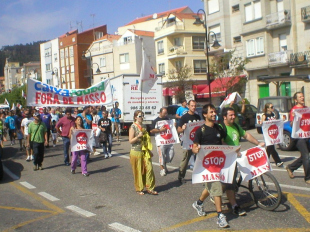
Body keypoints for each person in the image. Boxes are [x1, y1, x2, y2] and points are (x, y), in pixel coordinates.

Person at [218, 107, 265, 216]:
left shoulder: (235, 126)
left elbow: (246, 135)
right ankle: (234, 205)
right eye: (231, 115)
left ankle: (222, 192)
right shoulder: (221, 128)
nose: (233, 117)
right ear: (224, 117)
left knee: (229, 183)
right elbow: (220, 142)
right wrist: (232, 150)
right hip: (226, 160)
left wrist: (258, 143)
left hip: (235, 156)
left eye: (234, 114)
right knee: (229, 183)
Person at [191, 104, 229, 228]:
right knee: (216, 186)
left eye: (214, 111)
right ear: (205, 115)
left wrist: (232, 150)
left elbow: (222, 142)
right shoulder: (200, 130)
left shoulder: (218, 128)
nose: (214, 114)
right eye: (211, 112)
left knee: (211, 187)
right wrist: (196, 149)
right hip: (207, 166)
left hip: (218, 163)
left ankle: (199, 203)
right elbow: (194, 146)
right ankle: (220, 216)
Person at [129, 110, 157, 195]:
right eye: (140, 116)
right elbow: (130, 141)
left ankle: (150, 187)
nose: (141, 118)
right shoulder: (133, 127)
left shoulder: (144, 126)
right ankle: (139, 188)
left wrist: (149, 150)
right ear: (135, 117)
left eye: (142, 116)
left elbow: (146, 140)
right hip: (136, 151)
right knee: (138, 171)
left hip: (145, 151)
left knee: (149, 169)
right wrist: (138, 136)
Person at [286, 92, 310, 184]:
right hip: (298, 137)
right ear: (296, 100)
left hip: (307, 135)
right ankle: (307, 178)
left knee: (305, 156)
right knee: (306, 156)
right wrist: (294, 117)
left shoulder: (307, 109)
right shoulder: (294, 110)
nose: (302, 98)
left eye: (303, 96)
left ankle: (291, 167)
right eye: (300, 97)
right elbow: (292, 124)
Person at [177, 100, 201, 183]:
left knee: (199, 159)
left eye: (195, 106)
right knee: (185, 160)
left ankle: (200, 176)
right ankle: (181, 176)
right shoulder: (184, 117)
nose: (194, 107)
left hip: (196, 141)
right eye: (192, 106)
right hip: (187, 142)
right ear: (188, 106)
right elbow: (178, 129)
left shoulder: (197, 116)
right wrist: (182, 128)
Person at [150, 107, 175, 176]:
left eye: (166, 113)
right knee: (161, 156)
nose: (165, 115)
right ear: (160, 113)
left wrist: (174, 125)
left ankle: (164, 165)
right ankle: (162, 169)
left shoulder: (168, 119)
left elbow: (172, 127)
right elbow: (152, 130)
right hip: (161, 141)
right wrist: (160, 130)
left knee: (171, 154)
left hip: (169, 140)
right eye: (164, 113)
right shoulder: (156, 121)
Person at [261, 103, 284, 167]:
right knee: (270, 147)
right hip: (268, 133)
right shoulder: (264, 115)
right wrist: (262, 122)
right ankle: (277, 161)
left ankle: (265, 161)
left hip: (273, 132)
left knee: (270, 147)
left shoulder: (273, 114)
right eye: (271, 107)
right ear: (267, 108)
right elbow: (262, 124)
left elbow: (276, 122)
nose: (273, 108)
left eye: (273, 107)